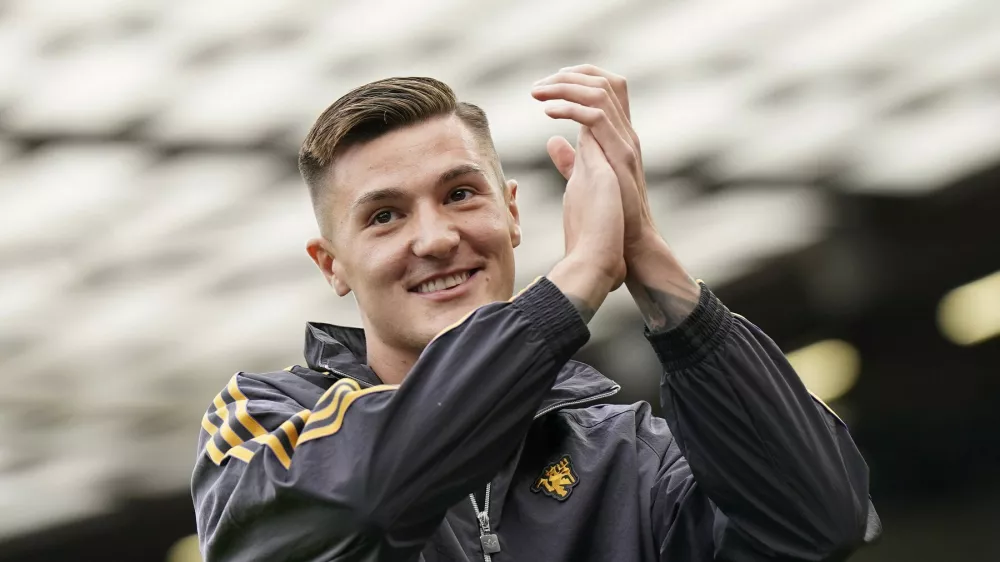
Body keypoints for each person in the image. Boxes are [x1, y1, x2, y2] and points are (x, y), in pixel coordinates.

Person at [191, 65, 881, 561]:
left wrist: (645, 254)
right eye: (384, 216)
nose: (435, 239)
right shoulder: (264, 423)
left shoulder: (630, 455)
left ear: (512, 213)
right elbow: (360, 506)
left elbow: (817, 525)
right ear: (332, 265)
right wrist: (577, 279)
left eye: (460, 194)